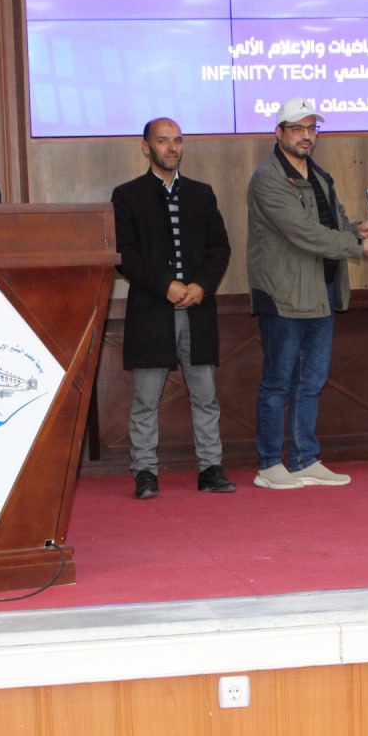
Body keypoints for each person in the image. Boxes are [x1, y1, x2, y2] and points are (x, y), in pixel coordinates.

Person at [246, 97, 368, 489]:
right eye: (297, 128)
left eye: (312, 128)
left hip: (322, 291)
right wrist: (358, 247)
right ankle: (269, 464)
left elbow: (333, 224)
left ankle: (304, 459)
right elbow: (305, 234)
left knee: (311, 380)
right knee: (278, 381)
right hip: (284, 295)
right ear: (279, 133)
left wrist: (357, 229)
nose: (306, 136)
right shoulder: (268, 179)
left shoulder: (319, 175)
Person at [111, 118, 235, 500]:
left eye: (178, 141)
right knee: (146, 400)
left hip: (197, 310)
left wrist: (201, 285)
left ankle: (210, 468)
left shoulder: (201, 193)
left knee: (206, 397)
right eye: (163, 141)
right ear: (146, 146)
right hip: (152, 311)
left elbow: (220, 249)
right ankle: (145, 471)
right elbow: (124, 254)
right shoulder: (127, 196)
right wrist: (165, 285)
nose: (172, 148)